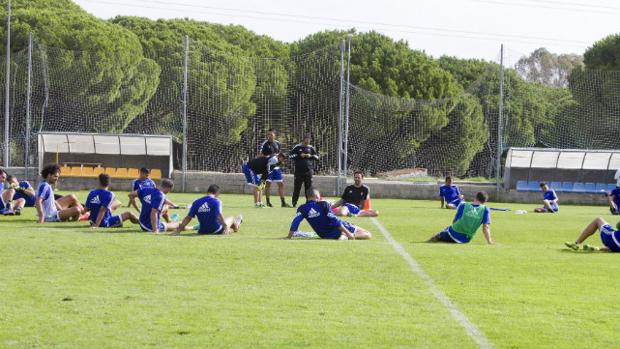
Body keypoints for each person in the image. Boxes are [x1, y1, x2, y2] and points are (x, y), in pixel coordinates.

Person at [287, 188, 372, 240]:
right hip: (338, 230)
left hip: (324, 235)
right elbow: (334, 220)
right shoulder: (323, 204)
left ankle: (344, 235)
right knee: (368, 234)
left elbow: (295, 222)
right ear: (317, 196)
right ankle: (345, 236)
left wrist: (289, 236)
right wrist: (348, 234)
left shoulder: (302, 208)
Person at [173, 184, 243, 235]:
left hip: (202, 231)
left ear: (207, 192)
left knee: (229, 221)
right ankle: (236, 226)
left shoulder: (196, 202)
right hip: (216, 230)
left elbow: (188, 218)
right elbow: (219, 214)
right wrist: (225, 227)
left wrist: (178, 230)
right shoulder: (216, 201)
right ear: (217, 193)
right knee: (231, 218)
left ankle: (236, 225)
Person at [428, 191, 493, 244]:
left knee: (441, 233)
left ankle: (438, 236)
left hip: (452, 234)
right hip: (465, 239)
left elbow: (454, 221)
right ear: (484, 201)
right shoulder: (485, 209)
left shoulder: (463, 205)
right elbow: (485, 227)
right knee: (446, 231)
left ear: (475, 197)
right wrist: (489, 241)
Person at [259, 129, 292, 208]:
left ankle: (283, 203)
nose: (269, 136)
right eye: (268, 134)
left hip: (276, 168)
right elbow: (260, 155)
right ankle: (268, 202)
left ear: (274, 135)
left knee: (281, 184)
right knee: (267, 184)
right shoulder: (265, 144)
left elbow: (279, 154)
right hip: (268, 167)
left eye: (271, 134)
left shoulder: (277, 143)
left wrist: (281, 161)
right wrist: (268, 158)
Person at [289, 134, 319, 207]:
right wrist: (299, 155)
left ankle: (308, 203)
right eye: (307, 139)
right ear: (304, 139)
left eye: (309, 139)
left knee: (308, 188)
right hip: (299, 172)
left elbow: (317, 157)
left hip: (308, 171)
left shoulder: (311, 148)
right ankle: (294, 203)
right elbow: (290, 156)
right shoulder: (297, 147)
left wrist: (310, 156)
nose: (308, 141)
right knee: (297, 187)